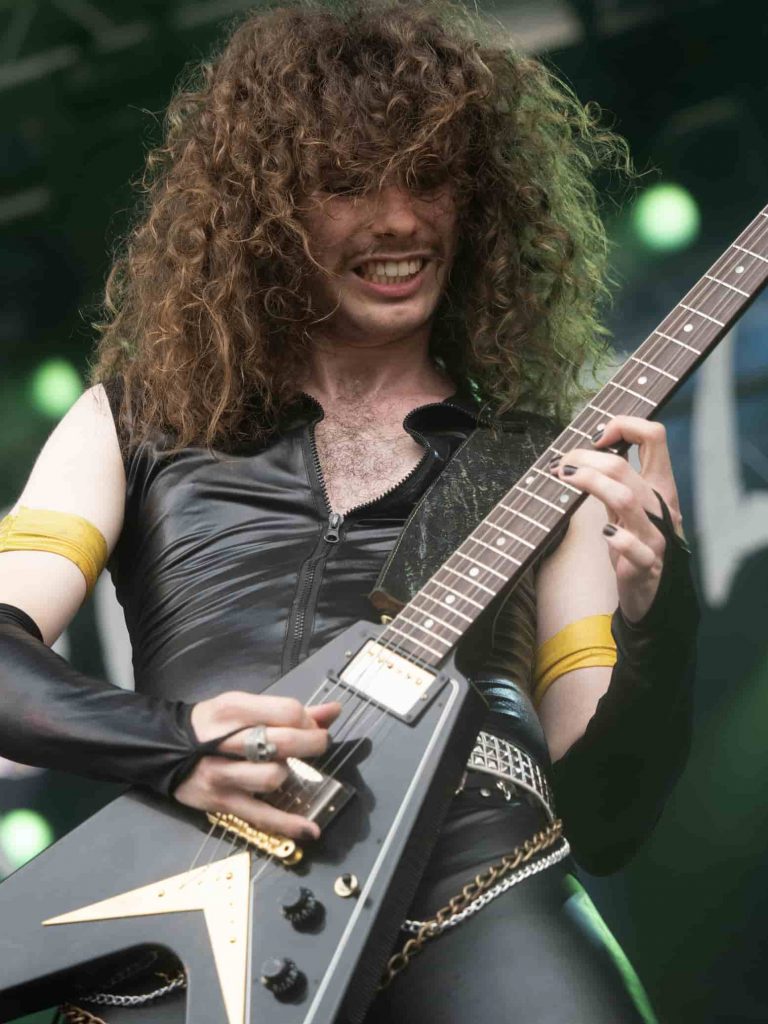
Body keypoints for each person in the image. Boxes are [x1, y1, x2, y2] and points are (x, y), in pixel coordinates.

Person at [0, 1, 698, 1021]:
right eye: (346, 185)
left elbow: (610, 816)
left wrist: (661, 618)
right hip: (187, 911)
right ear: (265, 211)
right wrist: (177, 744)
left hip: (477, 882)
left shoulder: (544, 462)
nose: (401, 221)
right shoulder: (132, 421)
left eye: (431, 178)